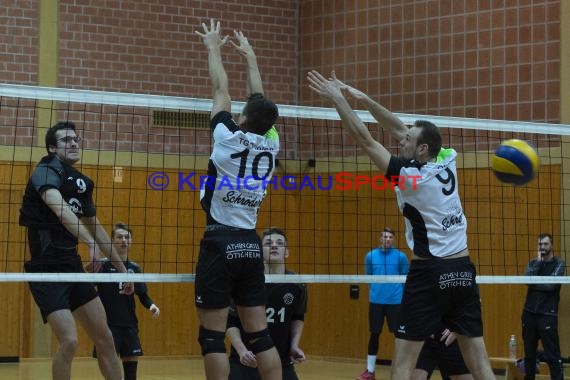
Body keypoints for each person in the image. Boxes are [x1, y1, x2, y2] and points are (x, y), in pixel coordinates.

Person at [307, 70, 495, 380]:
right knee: (479, 362)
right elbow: (396, 127)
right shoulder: (446, 157)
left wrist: (338, 99)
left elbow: (366, 141)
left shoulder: (411, 179)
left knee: (403, 363)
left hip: (429, 274)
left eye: (408, 140)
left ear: (422, 149)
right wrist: (364, 98)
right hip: (462, 270)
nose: (401, 139)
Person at [194, 19, 282, 380]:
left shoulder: (227, 137)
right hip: (250, 243)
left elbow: (221, 89)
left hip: (219, 239)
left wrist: (213, 47)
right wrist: (251, 58)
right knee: (259, 334)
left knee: (212, 336)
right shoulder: (272, 143)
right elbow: (258, 101)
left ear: (244, 118)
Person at [19, 121, 134, 380]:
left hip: (72, 266)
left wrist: (123, 270)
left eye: (76, 139)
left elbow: (99, 231)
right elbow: (60, 210)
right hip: (46, 272)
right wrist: (89, 244)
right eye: (65, 140)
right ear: (51, 147)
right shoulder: (45, 171)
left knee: (105, 337)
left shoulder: (81, 183)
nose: (73, 143)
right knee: (69, 341)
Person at [227, 227, 307, 380]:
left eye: (280, 243)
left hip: (281, 361)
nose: (274, 246)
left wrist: (294, 346)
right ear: (259, 251)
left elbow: (298, 316)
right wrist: (241, 350)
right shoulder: (245, 282)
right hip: (246, 359)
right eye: (268, 243)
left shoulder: (297, 283)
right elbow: (231, 321)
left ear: (286, 252)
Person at [89, 222, 161, 380]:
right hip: (107, 326)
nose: (124, 240)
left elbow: (143, 295)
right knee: (111, 372)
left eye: (127, 237)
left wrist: (152, 306)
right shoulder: (102, 265)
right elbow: (86, 289)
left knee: (131, 373)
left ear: (131, 241)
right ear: (112, 241)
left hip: (129, 326)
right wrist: (87, 272)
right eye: (119, 237)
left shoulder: (134, 269)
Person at [359, 227, 409, 380]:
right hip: (376, 302)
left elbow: (405, 279)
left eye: (390, 237)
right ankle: (370, 370)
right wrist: (376, 291)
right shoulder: (370, 256)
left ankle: (401, 369)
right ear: (380, 239)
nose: (387, 239)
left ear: (393, 240)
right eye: (384, 237)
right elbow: (369, 278)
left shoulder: (401, 257)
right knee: (374, 334)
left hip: (395, 302)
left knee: (399, 335)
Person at [521, 233, 565, 380]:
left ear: (551, 245)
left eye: (546, 244)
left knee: (553, 356)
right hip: (529, 314)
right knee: (529, 355)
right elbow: (528, 280)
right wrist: (539, 263)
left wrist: (535, 282)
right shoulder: (533, 263)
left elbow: (551, 285)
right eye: (540, 244)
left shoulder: (559, 264)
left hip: (547, 315)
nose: (543, 247)